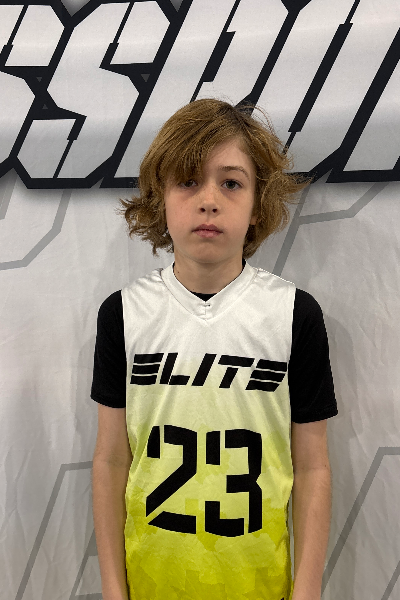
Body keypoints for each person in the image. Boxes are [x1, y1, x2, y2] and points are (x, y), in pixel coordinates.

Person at [91, 98, 338, 600]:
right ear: (160, 198)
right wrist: (114, 590)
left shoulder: (294, 314)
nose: (209, 200)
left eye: (231, 183)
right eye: (188, 180)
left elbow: (313, 466)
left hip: (260, 587)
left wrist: (307, 590)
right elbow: (111, 461)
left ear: (257, 204)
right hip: (151, 586)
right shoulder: (124, 313)